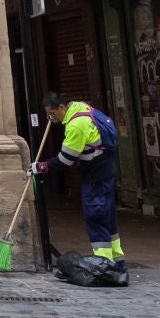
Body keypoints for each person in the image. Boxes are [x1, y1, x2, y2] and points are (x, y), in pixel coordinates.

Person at [33, 91, 126, 274]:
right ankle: (118, 259)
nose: (51, 117)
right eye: (48, 114)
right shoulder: (79, 107)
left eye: (52, 113)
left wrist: (42, 167)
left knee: (96, 215)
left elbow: (66, 159)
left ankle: (104, 262)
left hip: (95, 176)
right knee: (107, 215)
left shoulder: (76, 125)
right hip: (106, 171)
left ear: (62, 107)